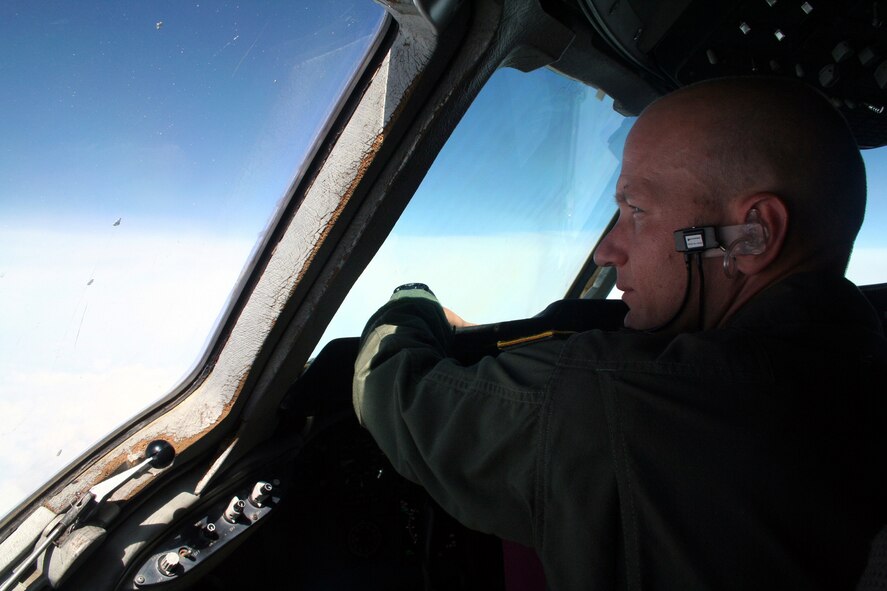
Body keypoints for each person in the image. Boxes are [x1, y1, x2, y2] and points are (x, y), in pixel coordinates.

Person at [352, 77, 887, 590]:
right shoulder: (852, 363)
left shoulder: (622, 401)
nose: (606, 251)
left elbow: (393, 393)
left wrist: (412, 302)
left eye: (635, 210)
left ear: (752, 235)